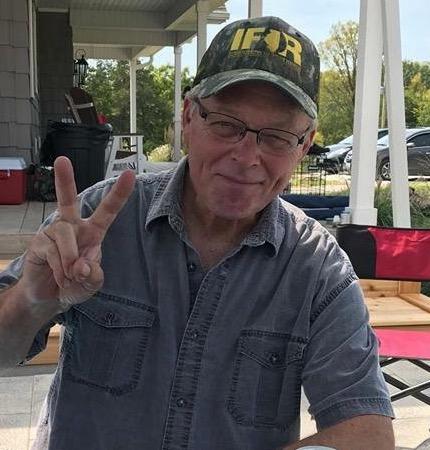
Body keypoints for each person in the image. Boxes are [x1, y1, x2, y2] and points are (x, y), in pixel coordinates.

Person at [0, 16, 394, 450]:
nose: (247, 157)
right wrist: (30, 298)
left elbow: (369, 433)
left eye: (278, 137)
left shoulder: (317, 268)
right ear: (188, 116)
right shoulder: (100, 221)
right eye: (226, 124)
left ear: (304, 144)